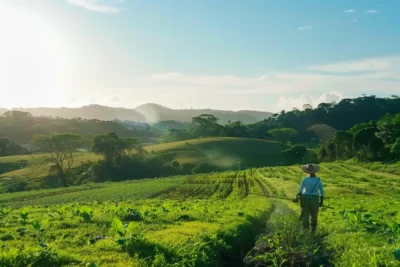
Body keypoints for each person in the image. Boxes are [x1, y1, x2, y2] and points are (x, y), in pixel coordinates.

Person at [294, 163, 325, 232]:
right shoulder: (318, 180)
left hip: (304, 198)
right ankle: (312, 232)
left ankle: (305, 232)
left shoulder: (304, 179)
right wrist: (321, 202)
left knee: (305, 215)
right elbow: (322, 192)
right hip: (315, 199)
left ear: (307, 171)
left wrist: (296, 198)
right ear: (315, 171)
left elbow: (300, 190)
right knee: (314, 216)